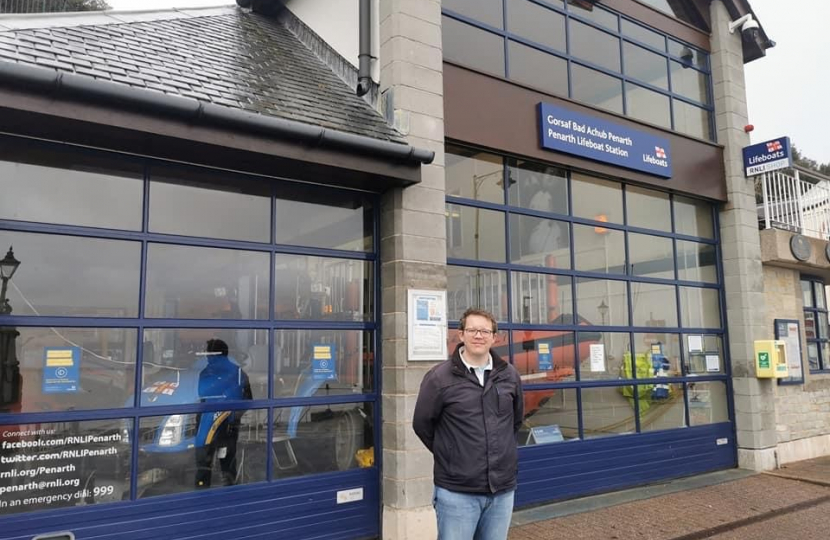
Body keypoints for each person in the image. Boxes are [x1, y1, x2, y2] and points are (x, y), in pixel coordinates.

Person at [413, 308, 524, 540]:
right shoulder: (439, 378)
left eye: (485, 331)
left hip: (501, 491)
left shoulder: (509, 375)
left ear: (495, 337)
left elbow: (515, 421)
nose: (478, 336)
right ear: (461, 335)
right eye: (472, 330)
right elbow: (422, 425)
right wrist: (453, 452)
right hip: (457, 493)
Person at [194, 338, 253, 488]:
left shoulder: (205, 373)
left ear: (214, 354)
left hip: (208, 425)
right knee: (227, 461)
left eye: (208, 353)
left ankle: (202, 490)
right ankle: (229, 490)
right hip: (228, 425)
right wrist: (234, 417)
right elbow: (248, 399)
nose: (206, 356)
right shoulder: (238, 372)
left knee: (204, 461)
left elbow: (201, 397)